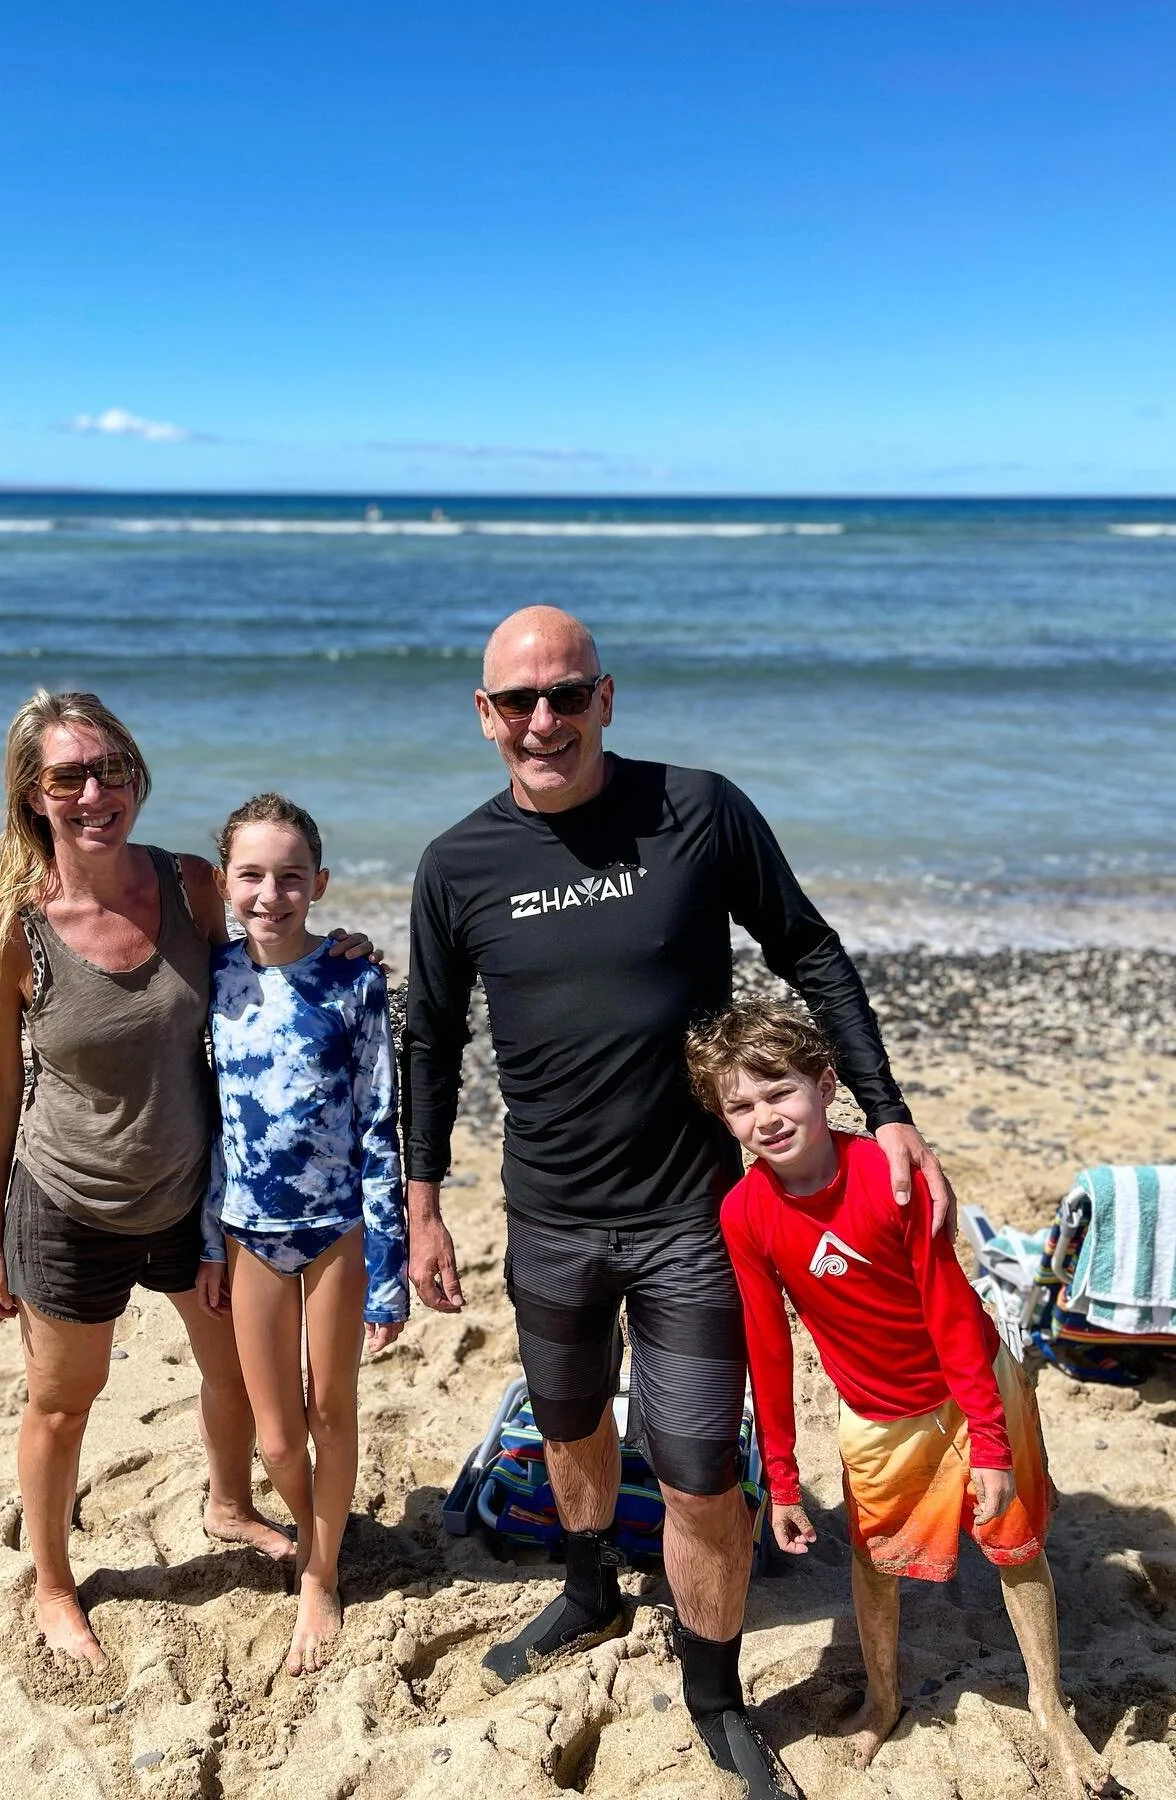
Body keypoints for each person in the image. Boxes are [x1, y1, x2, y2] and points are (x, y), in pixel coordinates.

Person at [402, 606, 951, 1796]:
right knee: (568, 1425)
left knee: (702, 1471)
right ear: (485, 716)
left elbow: (809, 948)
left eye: (566, 694)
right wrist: (423, 1199)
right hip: (549, 1214)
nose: (543, 720)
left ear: (606, 698)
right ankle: (589, 1589)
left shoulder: (696, 809)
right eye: (517, 701)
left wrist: (888, 1108)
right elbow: (431, 1037)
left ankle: (714, 1695)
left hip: (694, 1218)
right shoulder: (456, 864)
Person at [0, 691, 374, 1673]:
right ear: (32, 795)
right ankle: (54, 1586)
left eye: (112, 770)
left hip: (193, 1197)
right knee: (65, 1402)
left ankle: (228, 1504)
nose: (94, 794)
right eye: (68, 777)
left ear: (136, 777)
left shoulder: (189, 885)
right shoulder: (10, 929)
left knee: (235, 1377)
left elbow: (259, 976)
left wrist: (337, 958)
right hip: (68, 1202)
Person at [687, 998, 1113, 1800]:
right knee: (875, 1560)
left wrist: (990, 1441)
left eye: (780, 1092)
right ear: (722, 1117)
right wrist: (783, 1479)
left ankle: (1049, 1705)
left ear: (824, 1085)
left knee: (1014, 1543)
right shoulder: (745, 1212)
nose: (764, 1118)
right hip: (874, 1410)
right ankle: (884, 1700)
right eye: (740, 1106)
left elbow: (951, 1311)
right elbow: (768, 1350)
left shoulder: (891, 1178)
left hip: (971, 1382)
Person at [195, 793, 407, 1677]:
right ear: (224, 883)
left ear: (319, 884)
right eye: (251, 875)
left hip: (337, 1233)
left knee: (332, 1409)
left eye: (290, 877)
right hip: (249, 1233)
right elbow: (209, 1124)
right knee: (278, 1438)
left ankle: (320, 1572)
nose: (270, 894)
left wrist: (389, 1271)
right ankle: (313, 1526)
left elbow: (380, 1127)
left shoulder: (355, 981)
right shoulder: (210, 977)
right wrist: (209, 1241)